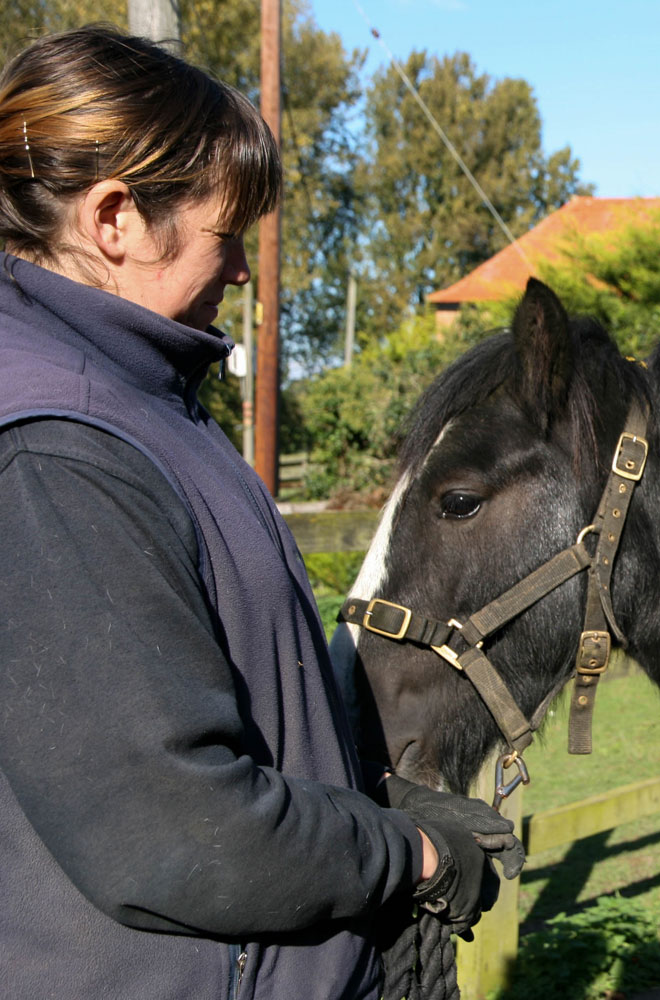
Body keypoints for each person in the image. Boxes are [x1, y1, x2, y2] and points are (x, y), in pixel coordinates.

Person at [0, 27, 520, 999]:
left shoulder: (143, 404)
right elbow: (174, 831)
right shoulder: (53, 454)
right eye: (226, 233)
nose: (242, 271)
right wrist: (411, 850)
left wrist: (355, 795)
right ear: (115, 217)